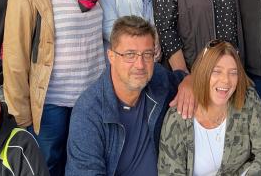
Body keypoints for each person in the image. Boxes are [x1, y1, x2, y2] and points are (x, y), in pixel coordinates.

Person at [3, 0, 105, 176]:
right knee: (48, 166)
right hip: (52, 103)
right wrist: (21, 113)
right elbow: (15, 57)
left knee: (84, 164)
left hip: (91, 97)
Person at [66, 16, 190, 176]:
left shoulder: (158, 79)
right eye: (130, 55)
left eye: (147, 54)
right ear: (111, 57)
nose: (140, 65)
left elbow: (184, 79)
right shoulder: (88, 113)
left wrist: (189, 82)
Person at [158, 40, 261, 175]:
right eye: (217, 71)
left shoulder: (248, 99)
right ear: (203, 73)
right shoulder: (178, 116)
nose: (226, 80)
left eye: (233, 73)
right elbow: (169, 172)